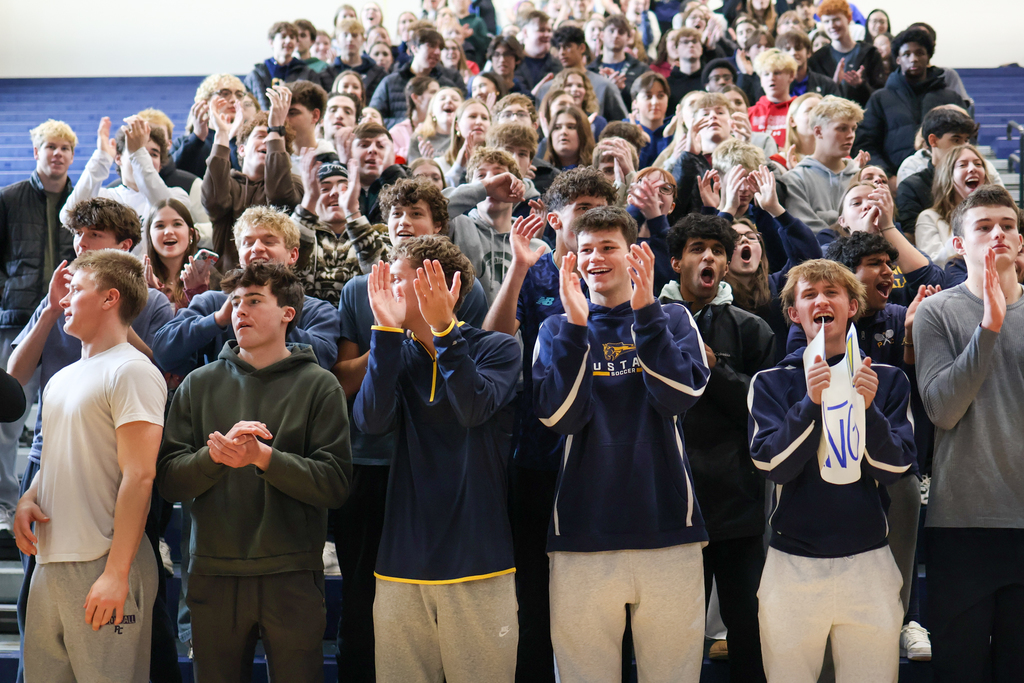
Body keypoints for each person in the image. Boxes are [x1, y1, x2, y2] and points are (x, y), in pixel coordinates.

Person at [532, 205, 710, 682]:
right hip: (582, 536)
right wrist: (575, 326)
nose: (594, 258)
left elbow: (679, 398)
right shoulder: (555, 329)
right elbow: (559, 417)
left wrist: (647, 312)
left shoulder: (673, 319)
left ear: (633, 253)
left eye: (607, 247)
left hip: (669, 530)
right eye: (584, 249)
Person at [157, 260, 351, 683]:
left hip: (292, 573)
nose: (240, 310)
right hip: (213, 572)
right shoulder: (198, 384)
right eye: (236, 301)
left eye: (255, 300)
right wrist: (217, 459)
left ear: (288, 314)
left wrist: (264, 458)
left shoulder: (320, 385)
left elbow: (335, 484)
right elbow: (169, 478)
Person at [8, 197, 176, 683]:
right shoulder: (62, 379)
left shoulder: (132, 369)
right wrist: (29, 500)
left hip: (103, 563)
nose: (62, 299)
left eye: (76, 289)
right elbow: (55, 459)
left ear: (109, 299)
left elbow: (140, 475)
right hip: (51, 563)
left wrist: (117, 573)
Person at [355, 236, 521, 683]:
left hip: (479, 560)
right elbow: (370, 422)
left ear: (444, 287)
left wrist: (446, 332)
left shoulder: (498, 349)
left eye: (399, 279)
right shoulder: (397, 354)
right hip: (400, 565)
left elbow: (472, 408)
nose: (387, 289)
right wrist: (386, 335)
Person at [749, 257, 914, 682]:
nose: (821, 300)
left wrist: (869, 409)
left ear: (851, 307)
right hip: (792, 566)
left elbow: (896, 469)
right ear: (794, 313)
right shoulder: (771, 382)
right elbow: (773, 465)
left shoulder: (888, 379)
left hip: (869, 563)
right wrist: (809, 404)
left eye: (831, 292)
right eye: (809, 295)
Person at [482, 167, 615, 683]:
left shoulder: (618, 277)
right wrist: (517, 268)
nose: (591, 220)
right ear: (552, 217)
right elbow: (493, 343)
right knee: (533, 600)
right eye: (581, 209)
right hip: (536, 452)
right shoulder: (531, 269)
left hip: (604, 457)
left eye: (601, 209)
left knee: (600, 603)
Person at [912, 185, 1024, 682]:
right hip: (961, 522)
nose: (998, 233)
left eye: (1008, 225)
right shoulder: (937, 313)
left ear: (1020, 242)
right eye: (983, 227)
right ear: (959, 244)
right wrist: (990, 327)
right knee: (960, 669)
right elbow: (942, 410)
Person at [662, 213, 775, 683]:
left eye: (717, 250)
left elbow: (764, 411)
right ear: (675, 261)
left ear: (727, 265)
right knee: (670, 639)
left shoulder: (753, 329)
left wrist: (713, 368)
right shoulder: (647, 323)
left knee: (749, 631)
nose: (708, 256)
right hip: (666, 505)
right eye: (696, 248)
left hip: (736, 505)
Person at [821, 231, 935, 660]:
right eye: (875, 263)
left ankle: (907, 619)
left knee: (904, 497)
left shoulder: (903, 314)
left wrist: (909, 336)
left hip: (893, 448)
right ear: (849, 278)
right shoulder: (822, 316)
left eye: (890, 263)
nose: (888, 271)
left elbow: (919, 392)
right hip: (834, 451)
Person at [152, 205, 341, 376]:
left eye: (269, 241)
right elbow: (163, 352)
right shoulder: (213, 303)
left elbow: (324, 359)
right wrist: (217, 320)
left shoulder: (319, 311)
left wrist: (273, 318)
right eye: (248, 243)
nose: (257, 248)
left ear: (293, 255)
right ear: (240, 255)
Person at [0, 119, 77, 534]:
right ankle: (4, 504)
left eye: (66, 147)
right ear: (36, 152)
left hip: (69, 325)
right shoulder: (9, 198)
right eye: (51, 146)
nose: (58, 153)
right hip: (17, 322)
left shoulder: (80, 202)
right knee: (8, 419)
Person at [201, 87, 303, 272]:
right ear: (241, 149)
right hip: (227, 285)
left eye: (272, 139)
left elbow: (280, 198)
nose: (267, 142)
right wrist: (222, 134)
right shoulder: (228, 182)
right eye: (260, 136)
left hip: (274, 285)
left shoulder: (295, 185)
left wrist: (276, 130)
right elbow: (214, 201)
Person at [855, 28, 967, 178]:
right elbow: (866, 144)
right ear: (898, 59)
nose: (913, 59)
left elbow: (966, 140)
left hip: (947, 180)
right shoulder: (880, 99)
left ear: (928, 57)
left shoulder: (950, 98)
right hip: (895, 184)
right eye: (907, 54)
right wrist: (887, 177)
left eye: (920, 53)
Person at [448, 147, 550, 303]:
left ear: (517, 185)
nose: (492, 181)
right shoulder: (457, 225)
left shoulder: (538, 248)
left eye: (499, 175)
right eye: (481, 176)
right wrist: (484, 187)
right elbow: (429, 208)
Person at [59, 116, 189, 235]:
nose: (146, 160)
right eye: (135, 152)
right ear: (118, 158)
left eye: (154, 154)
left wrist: (138, 154)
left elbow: (167, 214)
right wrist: (101, 159)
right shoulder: (104, 198)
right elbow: (69, 217)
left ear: (160, 165)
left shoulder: (176, 196)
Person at [782, 95, 863, 234]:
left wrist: (827, 218)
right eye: (842, 128)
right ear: (818, 131)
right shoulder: (795, 179)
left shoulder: (861, 177)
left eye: (853, 129)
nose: (850, 135)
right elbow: (807, 232)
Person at [895, 106, 983, 235]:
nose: (964, 147)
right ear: (933, 140)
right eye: (956, 140)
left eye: (966, 140)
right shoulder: (912, 187)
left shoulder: (980, 177)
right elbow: (912, 239)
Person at [369, 26, 465, 129]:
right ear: (414, 48)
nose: (437, 52)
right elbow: (373, 117)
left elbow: (461, 117)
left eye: (440, 48)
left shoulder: (447, 85)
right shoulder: (390, 82)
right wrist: (408, 125)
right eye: (431, 46)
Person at [915, 144, 991, 266]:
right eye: (963, 165)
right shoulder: (929, 218)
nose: (973, 169)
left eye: (978, 164)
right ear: (948, 176)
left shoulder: (998, 215)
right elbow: (935, 264)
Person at [537, 27, 628, 122]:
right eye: (559, 48)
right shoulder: (547, 89)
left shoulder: (603, 86)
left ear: (582, 48)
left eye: (567, 46)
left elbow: (621, 124)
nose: (562, 52)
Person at [806, 0, 887, 106]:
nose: (832, 25)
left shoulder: (871, 54)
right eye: (826, 22)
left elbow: (881, 95)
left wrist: (861, 85)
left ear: (849, 19)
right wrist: (833, 85)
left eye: (836, 19)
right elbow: (815, 99)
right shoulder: (817, 59)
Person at [170, 75, 248, 177]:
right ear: (205, 101)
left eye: (239, 95)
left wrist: (233, 139)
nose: (233, 99)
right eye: (225, 93)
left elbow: (245, 178)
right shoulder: (185, 142)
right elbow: (171, 173)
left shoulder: (248, 142)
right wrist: (197, 138)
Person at [245, 22, 331, 110]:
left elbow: (316, 103)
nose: (288, 40)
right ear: (271, 42)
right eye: (283, 37)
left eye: (292, 37)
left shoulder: (308, 73)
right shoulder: (256, 75)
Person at [143, 199, 206, 311]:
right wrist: (152, 294)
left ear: (191, 234)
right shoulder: (136, 280)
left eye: (177, 224)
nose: (168, 232)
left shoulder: (209, 278)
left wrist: (197, 292)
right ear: (149, 235)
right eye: (160, 226)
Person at [590, 14, 651, 111]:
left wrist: (624, 89)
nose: (615, 35)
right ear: (601, 35)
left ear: (628, 37)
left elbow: (646, 101)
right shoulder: (590, 70)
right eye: (611, 31)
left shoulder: (641, 70)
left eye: (621, 32)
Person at [748, 48, 798, 150]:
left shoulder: (799, 110)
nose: (771, 78)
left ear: (791, 75)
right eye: (766, 74)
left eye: (777, 73)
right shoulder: (750, 113)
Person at [438, 98, 492, 186]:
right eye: (472, 116)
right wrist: (458, 167)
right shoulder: (440, 164)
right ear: (457, 126)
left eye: (484, 118)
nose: (479, 122)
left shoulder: (498, 162)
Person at [333, 18, 389, 102]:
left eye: (354, 35)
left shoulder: (378, 73)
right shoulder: (327, 73)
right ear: (337, 40)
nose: (350, 39)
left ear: (363, 39)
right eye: (345, 35)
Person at [286, 80, 336, 173]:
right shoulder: (277, 157)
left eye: (292, 113)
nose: (285, 119)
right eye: (283, 113)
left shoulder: (331, 161)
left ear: (315, 116)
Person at [775, 31, 840, 99]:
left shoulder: (826, 84)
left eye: (798, 48)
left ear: (808, 52)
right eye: (787, 49)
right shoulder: (773, 84)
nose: (793, 52)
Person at [389, 76, 440, 160]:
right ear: (415, 98)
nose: (438, 96)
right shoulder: (397, 132)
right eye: (433, 92)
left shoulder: (443, 128)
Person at [409, 87, 464, 161]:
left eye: (455, 99)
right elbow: (412, 169)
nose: (449, 101)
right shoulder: (420, 137)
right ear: (432, 112)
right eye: (442, 99)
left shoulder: (466, 137)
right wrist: (426, 163)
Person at [631, 72, 672, 171]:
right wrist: (642, 144)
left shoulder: (675, 132)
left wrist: (669, 138)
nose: (655, 102)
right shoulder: (624, 132)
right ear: (635, 103)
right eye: (648, 97)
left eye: (660, 96)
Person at [515, 11, 562, 92]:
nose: (547, 35)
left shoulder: (557, 65)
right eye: (541, 30)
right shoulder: (513, 63)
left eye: (549, 31)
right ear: (525, 32)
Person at [666, 28, 706, 115]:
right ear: (676, 50)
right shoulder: (667, 84)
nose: (691, 45)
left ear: (701, 49)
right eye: (685, 42)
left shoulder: (709, 80)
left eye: (695, 41)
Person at [544, 106, 595, 172]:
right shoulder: (540, 172)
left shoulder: (596, 171)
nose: (563, 132)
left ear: (583, 133)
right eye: (557, 127)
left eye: (571, 127)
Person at [780, 92, 823, 169]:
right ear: (792, 121)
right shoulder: (779, 163)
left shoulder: (839, 161)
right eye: (809, 111)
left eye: (820, 112)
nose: (816, 117)